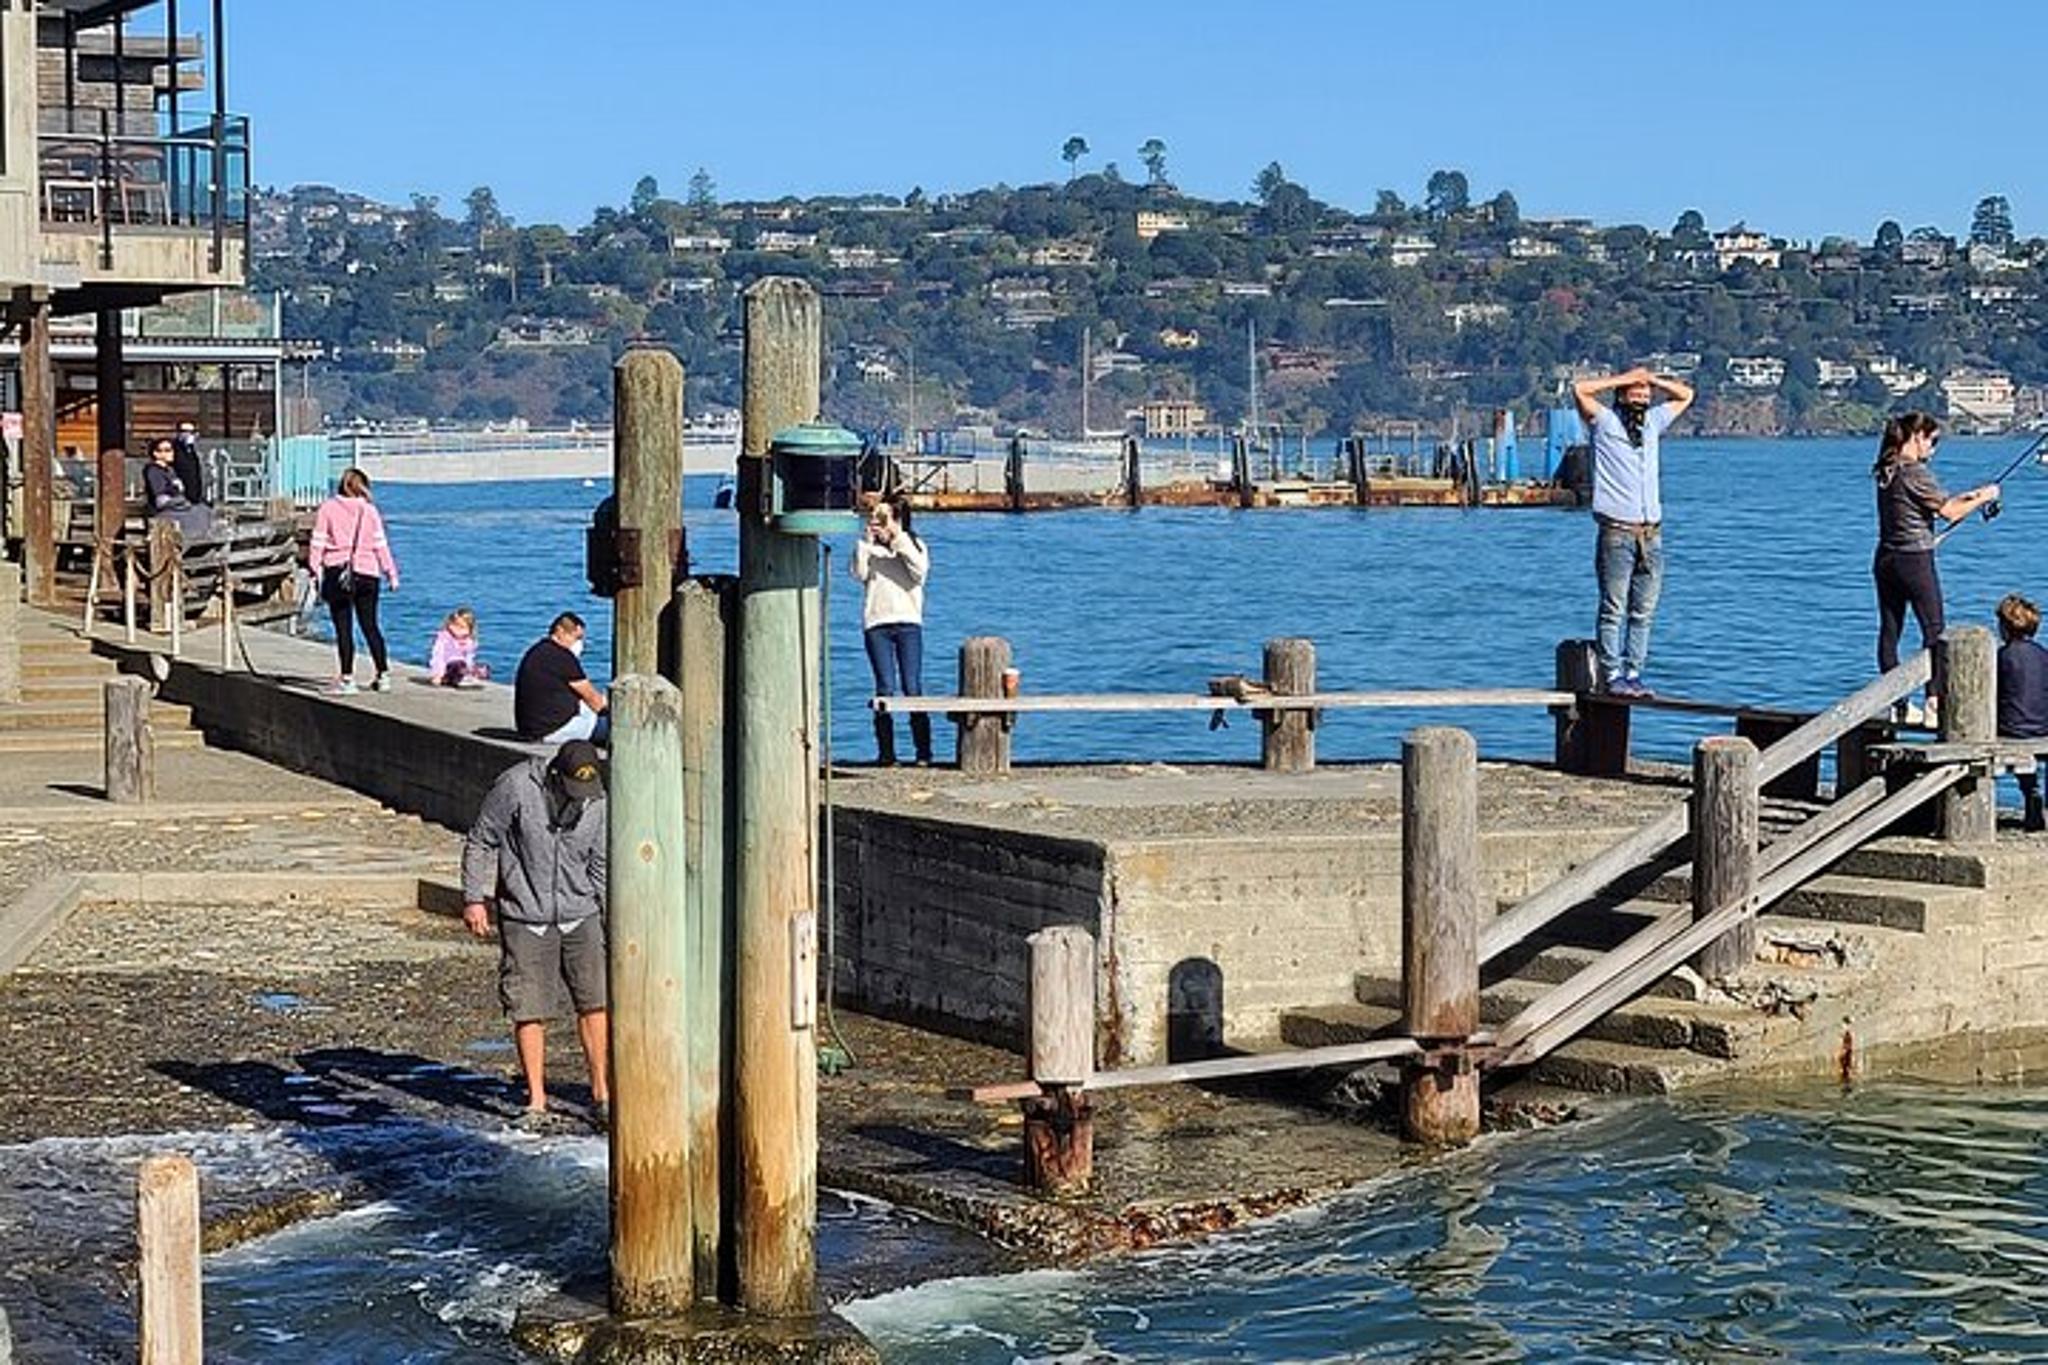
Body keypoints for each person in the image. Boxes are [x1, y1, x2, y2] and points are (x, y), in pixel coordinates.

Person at [460, 740, 611, 1129]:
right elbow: (480, 839)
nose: (580, 799)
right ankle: (536, 1100)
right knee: (529, 1006)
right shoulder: (515, 786)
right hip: (526, 913)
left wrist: (609, 917)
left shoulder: (596, 799)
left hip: (581, 912)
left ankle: (601, 1092)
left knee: (595, 1002)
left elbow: (600, 863)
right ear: (554, 775)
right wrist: (473, 898)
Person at [1572, 366, 1696, 698]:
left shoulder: (1653, 423)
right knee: (1613, 607)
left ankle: (1634, 672)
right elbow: (1581, 389)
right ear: (1622, 394)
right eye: (1635, 391)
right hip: (1617, 532)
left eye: (1645, 392)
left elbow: (1686, 395)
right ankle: (1611, 673)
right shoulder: (1605, 422)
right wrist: (1625, 378)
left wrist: (1651, 379)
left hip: (1651, 534)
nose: (1642, 395)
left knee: (1643, 611)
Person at [1872, 411, 1999, 725]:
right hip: (1914, 561)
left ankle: (1897, 704)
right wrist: (1986, 496)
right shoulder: (1915, 472)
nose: (1934, 448)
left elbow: (1919, 507)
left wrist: (1970, 496)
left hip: (1887, 558)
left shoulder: (1887, 470)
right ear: (1917, 437)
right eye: (1933, 441)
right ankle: (1933, 705)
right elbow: (1949, 512)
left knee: (1890, 632)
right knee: (1935, 630)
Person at [851, 495, 932, 765]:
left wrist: (897, 536)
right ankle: (886, 754)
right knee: (884, 687)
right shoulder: (870, 549)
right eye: (877, 517)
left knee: (913, 687)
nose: (879, 523)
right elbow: (858, 574)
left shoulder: (914, 546)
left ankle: (923, 753)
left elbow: (919, 573)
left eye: (885, 518)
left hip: (908, 622)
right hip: (877, 623)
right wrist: (866, 543)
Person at [308, 467, 400, 695]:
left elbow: (317, 542)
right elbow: (381, 545)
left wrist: (314, 568)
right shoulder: (370, 511)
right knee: (370, 626)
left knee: (344, 628)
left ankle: (348, 679)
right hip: (368, 573)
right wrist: (392, 573)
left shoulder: (328, 508)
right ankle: (383, 674)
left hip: (338, 572)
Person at [1996, 593, 2048, 833]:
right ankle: (2035, 798)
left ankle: (2030, 791)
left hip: (2011, 728)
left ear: (2004, 627)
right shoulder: (2043, 656)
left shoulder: (2002, 656)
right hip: (2042, 727)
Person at [514, 612, 609, 743]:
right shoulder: (564, 658)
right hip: (554, 729)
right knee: (615, 728)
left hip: (531, 728)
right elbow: (595, 702)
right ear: (560, 631)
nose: (579, 643)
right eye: (577, 637)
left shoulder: (537, 650)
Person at [430, 606, 491, 687]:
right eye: (455, 625)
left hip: (463, 667)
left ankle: (468, 677)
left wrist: (470, 668)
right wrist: (438, 674)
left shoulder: (469, 641)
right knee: (458, 665)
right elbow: (438, 656)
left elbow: (469, 657)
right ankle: (456, 679)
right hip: (448, 667)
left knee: (483, 669)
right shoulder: (444, 638)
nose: (457, 630)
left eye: (462, 628)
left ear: (470, 629)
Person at [171, 422, 208, 508]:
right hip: (180, 495)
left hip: (195, 493)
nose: (187, 434)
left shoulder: (193, 449)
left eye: (191, 432)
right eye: (183, 431)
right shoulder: (173, 448)